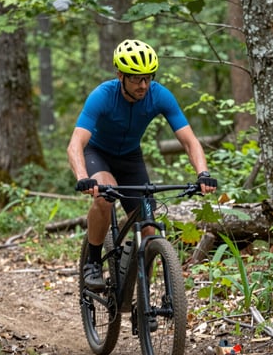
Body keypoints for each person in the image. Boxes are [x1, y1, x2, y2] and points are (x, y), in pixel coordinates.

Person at [67, 39, 217, 290]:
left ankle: (142, 297)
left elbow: (190, 141)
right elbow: (75, 144)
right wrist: (83, 177)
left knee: (149, 230)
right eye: (136, 79)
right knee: (104, 196)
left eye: (148, 77)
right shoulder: (102, 96)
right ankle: (93, 262)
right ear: (120, 75)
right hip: (98, 153)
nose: (143, 85)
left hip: (130, 157)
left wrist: (203, 173)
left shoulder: (160, 95)